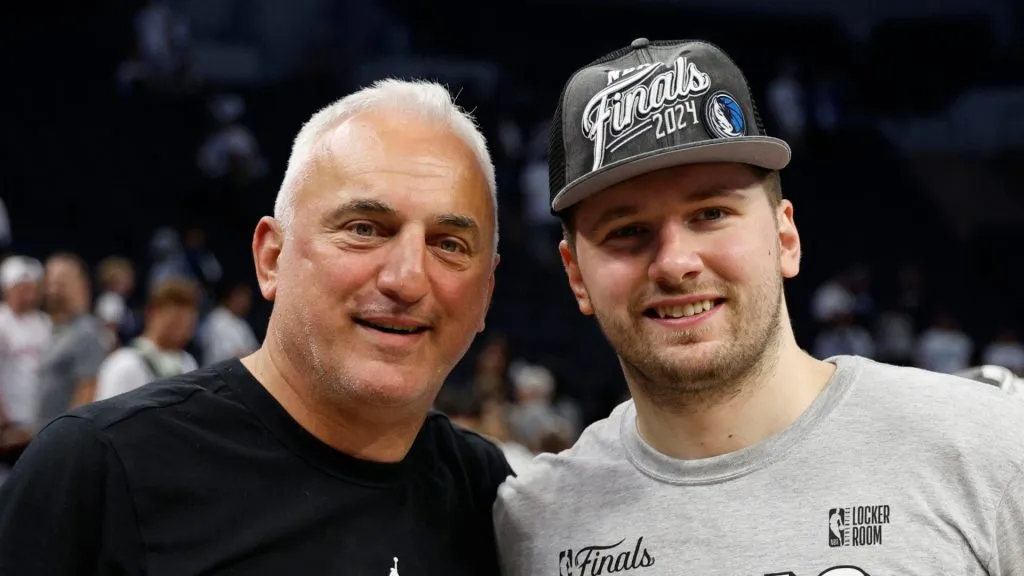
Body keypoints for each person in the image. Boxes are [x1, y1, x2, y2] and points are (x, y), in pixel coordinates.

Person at [493, 38, 1024, 575]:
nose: (675, 263)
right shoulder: (536, 524)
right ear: (576, 275)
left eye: (711, 213)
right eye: (627, 231)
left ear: (785, 235)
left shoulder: (987, 451)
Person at [0, 79, 512, 574]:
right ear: (271, 258)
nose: (406, 279)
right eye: (363, 229)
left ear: (485, 294)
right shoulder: (100, 472)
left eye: (449, 244)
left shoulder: (489, 499)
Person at [93, 278, 200, 401]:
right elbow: (107, 417)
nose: (180, 332)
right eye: (175, 322)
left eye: (187, 325)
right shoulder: (124, 363)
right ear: (152, 313)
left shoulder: (188, 363)